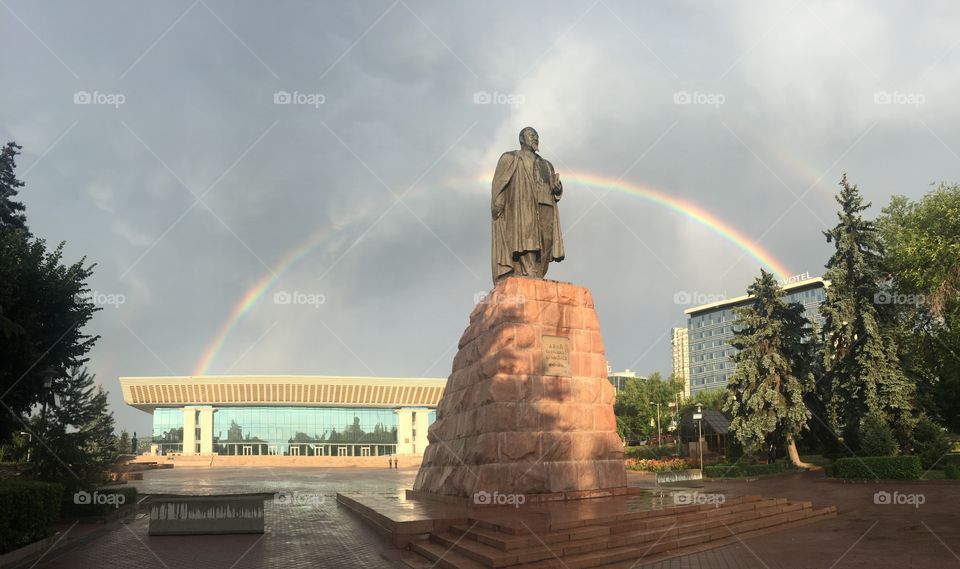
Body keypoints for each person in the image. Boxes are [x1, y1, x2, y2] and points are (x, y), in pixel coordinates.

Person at [491, 127, 564, 283]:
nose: (535, 138)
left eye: (537, 136)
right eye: (531, 135)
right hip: (523, 205)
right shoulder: (511, 157)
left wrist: (558, 189)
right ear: (522, 139)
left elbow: (554, 186)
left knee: (547, 241)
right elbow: (499, 182)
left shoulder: (546, 164)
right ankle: (528, 271)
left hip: (546, 205)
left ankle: (538, 273)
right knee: (527, 237)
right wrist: (498, 201)